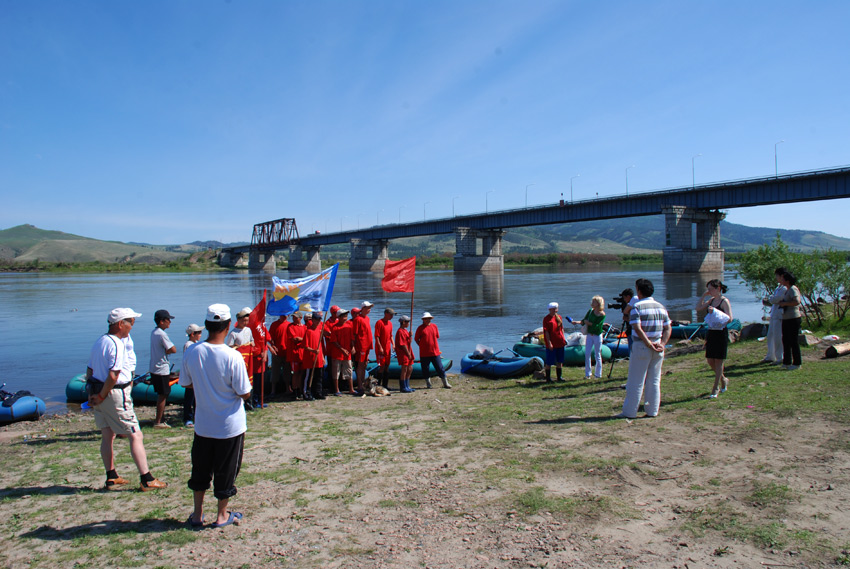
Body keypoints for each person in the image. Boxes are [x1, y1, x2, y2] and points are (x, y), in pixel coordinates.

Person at [180, 304, 251, 529]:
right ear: (228, 325)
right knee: (226, 469)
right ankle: (222, 515)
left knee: (200, 468)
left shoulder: (193, 351)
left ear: (207, 326)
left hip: (203, 424)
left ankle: (197, 513)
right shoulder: (233, 356)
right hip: (229, 425)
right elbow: (244, 392)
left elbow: (186, 383)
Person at [87, 307, 167, 492]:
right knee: (135, 434)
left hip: (99, 391)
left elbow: (90, 370)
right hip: (113, 393)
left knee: (107, 435)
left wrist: (92, 394)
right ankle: (146, 478)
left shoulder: (100, 341)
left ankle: (111, 475)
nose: (132, 326)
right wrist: (101, 395)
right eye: (130, 322)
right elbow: (114, 375)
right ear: (120, 324)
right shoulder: (116, 344)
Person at [618, 279, 671, 419]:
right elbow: (667, 327)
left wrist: (647, 343)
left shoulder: (637, 307)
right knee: (654, 379)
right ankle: (652, 410)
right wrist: (663, 343)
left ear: (639, 291)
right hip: (658, 345)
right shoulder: (661, 307)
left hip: (642, 346)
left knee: (636, 380)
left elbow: (637, 327)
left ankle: (630, 411)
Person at [696, 279, 732, 398]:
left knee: (719, 361)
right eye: (708, 289)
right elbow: (698, 308)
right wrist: (703, 296)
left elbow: (729, 318)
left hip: (721, 333)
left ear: (718, 289)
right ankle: (723, 379)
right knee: (710, 360)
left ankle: (715, 388)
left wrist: (716, 312)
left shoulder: (724, 301)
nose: (709, 291)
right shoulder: (711, 300)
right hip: (711, 333)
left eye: (711, 289)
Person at [149, 309, 177, 428]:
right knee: (163, 394)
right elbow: (173, 349)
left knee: (162, 394)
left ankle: (160, 418)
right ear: (162, 321)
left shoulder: (154, 332)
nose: (169, 322)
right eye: (168, 320)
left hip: (154, 368)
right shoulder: (162, 334)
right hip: (161, 369)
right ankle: (159, 421)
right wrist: (168, 350)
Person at [414, 312, 452, 389]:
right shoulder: (420, 328)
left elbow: (437, 336)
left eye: (429, 318)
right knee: (425, 369)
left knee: (440, 367)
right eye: (426, 319)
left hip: (435, 352)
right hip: (424, 353)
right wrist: (422, 346)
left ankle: (445, 383)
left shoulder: (434, 326)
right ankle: (428, 384)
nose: (427, 320)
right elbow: (416, 339)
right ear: (423, 320)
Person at [778, 270, 803, 370]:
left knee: (793, 341)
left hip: (793, 318)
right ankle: (787, 362)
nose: (781, 280)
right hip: (786, 318)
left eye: (783, 278)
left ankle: (797, 363)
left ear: (787, 280)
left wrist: (785, 304)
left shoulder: (793, 289)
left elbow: (797, 301)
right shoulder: (787, 289)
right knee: (786, 340)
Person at [762, 267, 787, 365]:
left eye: (777, 276)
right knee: (770, 336)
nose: (776, 278)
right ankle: (770, 356)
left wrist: (771, 299)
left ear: (782, 276)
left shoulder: (784, 288)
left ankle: (780, 357)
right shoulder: (778, 287)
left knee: (778, 337)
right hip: (774, 314)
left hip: (779, 316)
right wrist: (772, 299)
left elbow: (776, 299)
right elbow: (774, 299)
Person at [329, 309, 356, 395]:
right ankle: (337, 390)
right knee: (336, 371)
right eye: (343, 316)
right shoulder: (335, 327)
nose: (345, 318)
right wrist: (342, 349)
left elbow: (352, 338)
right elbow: (334, 341)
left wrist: (353, 347)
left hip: (347, 353)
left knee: (349, 370)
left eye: (346, 316)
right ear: (339, 317)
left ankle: (351, 389)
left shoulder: (349, 325)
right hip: (337, 353)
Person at [182, 323, 204, 427]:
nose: (200, 334)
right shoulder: (188, 345)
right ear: (192, 334)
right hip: (191, 375)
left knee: (197, 398)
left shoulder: (197, 343)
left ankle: (197, 417)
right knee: (189, 398)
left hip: (197, 374)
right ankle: (187, 418)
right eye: (198, 332)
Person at [580, 296, 606, 380]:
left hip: (597, 335)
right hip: (589, 334)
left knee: (597, 354)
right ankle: (588, 373)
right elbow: (584, 320)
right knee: (587, 353)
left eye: (594, 302)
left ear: (598, 303)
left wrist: (589, 323)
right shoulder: (590, 311)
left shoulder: (602, 314)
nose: (592, 303)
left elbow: (598, 326)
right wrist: (582, 322)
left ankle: (598, 373)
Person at [301, 312, 326, 400]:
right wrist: (313, 351)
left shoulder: (319, 331)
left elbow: (320, 346)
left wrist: (322, 357)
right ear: (313, 320)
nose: (319, 321)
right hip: (310, 359)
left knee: (318, 376)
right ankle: (306, 393)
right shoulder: (308, 331)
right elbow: (305, 346)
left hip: (318, 358)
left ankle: (318, 392)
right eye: (317, 319)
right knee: (308, 377)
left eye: (320, 319)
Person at [268, 314, 292, 398]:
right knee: (275, 371)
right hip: (277, 353)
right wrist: (273, 345)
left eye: (286, 315)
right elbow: (270, 337)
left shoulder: (290, 325)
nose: (284, 316)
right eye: (283, 315)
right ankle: (273, 390)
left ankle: (288, 388)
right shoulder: (274, 325)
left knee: (287, 371)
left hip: (287, 352)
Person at [352, 301, 374, 392]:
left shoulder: (367, 318)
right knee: (360, 365)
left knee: (364, 364)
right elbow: (354, 334)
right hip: (361, 345)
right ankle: (359, 385)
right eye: (368, 308)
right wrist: (353, 346)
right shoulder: (358, 319)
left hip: (367, 345)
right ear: (363, 308)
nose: (369, 309)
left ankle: (363, 383)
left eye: (370, 308)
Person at [542, 302, 566, 382]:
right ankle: (548, 378)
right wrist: (549, 343)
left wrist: (563, 338)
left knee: (560, 361)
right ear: (550, 309)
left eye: (556, 309)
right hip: (552, 342)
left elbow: (561, 329)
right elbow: (546, 332)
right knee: (549, 361)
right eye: (553, 309)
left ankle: (559, 377)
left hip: (559, 341)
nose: (555, 310)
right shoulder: (546, 319)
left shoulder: (559, 317)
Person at [286, 312, 306, 398]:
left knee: (302, 372)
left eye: (296, 317)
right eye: (293, 317)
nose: (294, 319)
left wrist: (301, 339)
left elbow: (304, 339)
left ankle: (301, 389)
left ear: (300, 318)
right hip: (294, 353)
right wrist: (303, 339)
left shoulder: (305, 327)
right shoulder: (290, 326)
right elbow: (295, 339)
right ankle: (295, 390)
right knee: (295, 372)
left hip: (303, 353)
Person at [375, 308, 395, 389]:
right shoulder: (379, 323)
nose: (392, 316)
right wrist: (380, 347)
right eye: (391, 314)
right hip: (381, 348)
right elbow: (377, 336)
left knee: (387, 366)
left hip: (388, 347)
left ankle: (385, 385)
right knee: (382, 366)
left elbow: (391, 335)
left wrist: (393, 344)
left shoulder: (390, 323)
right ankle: (378, 385)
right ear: (386, 313)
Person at [395, 315, 415, 393]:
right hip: (403, 352)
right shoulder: (400, 331)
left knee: (410, 368)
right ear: (403, 322)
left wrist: (410, 336)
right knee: (404, 369)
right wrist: (408, 353)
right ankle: (403, 387)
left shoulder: (405, 331)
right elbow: (402, 344)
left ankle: (407, 384)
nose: (408, 323)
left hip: (408, 351)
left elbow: (409, 342)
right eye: (407, 322)